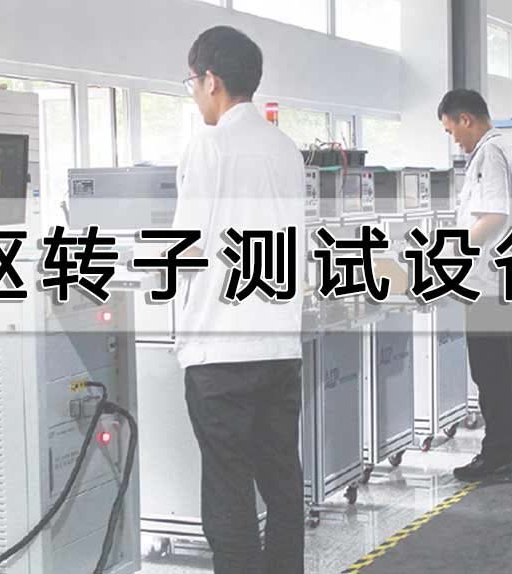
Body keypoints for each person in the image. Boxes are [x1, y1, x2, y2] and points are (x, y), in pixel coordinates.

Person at [173, 26, 306, 574]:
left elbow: (184, 248)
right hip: (278, 348)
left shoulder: (210, 145)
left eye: (192, 82)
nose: (194, 93)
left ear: (211, 80)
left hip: (220, 352)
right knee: (282, 482)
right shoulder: (285, 148)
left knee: (229, 494)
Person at [438, 89, 512, 483]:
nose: (454, 138)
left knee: (491, 373)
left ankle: (496, 457)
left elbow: (493, 216)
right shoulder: (507, 149)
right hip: (507, 277)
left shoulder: (490, 153)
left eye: (451, 130)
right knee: (509, 369)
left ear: (466, 119)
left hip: (490, 283)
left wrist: (450, 251)